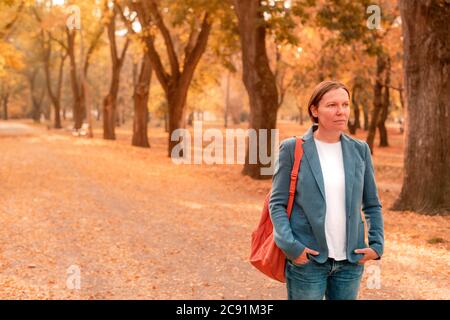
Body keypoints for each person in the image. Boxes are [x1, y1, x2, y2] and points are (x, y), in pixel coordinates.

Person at [269, 80, 384, 300]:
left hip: (350, 262)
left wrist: (377, 245)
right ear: (314, 110)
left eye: (345, 104)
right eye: (332, 105)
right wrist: (292, 247)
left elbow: (371, 203)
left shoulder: (360, 150)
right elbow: (277, 204)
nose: (341, 111)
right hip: (308, 261)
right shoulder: (293, 148)